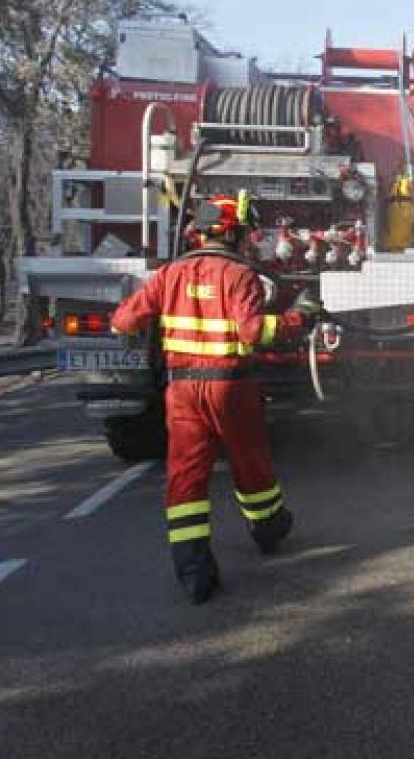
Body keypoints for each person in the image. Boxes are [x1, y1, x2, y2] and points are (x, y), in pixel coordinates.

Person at [111, 192, 318, 602]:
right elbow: (254, 332)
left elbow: (123, 321)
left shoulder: (169, 274)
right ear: (236, 232)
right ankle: (269, 529)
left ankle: (194, 573)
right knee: (250, 462)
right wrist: (301, 317)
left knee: (187, 475)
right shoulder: (239, 275)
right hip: (231, 386)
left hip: (182, 388)